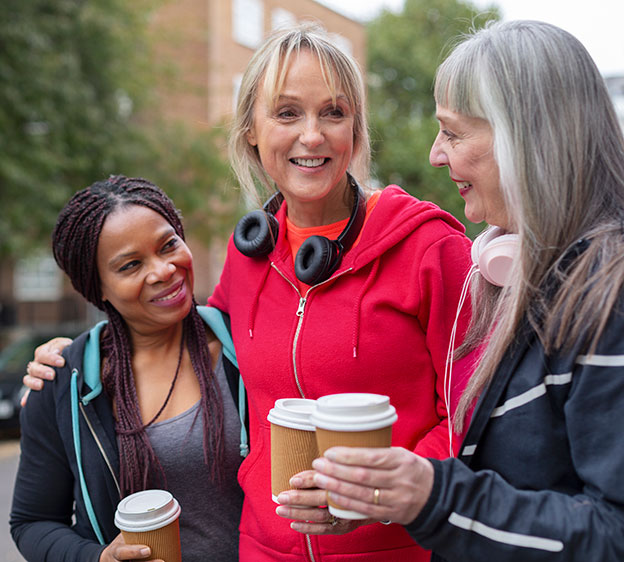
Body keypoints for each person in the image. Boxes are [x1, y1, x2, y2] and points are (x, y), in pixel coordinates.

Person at [23, 23, 475, 561]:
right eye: (287, 113)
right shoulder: (248, 256)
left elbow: (475, 418)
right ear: (251, 131)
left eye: (334, 112)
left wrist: (377, 496)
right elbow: (176, 331)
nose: (313, 136)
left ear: (355, 129)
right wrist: (72, 358)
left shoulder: (430, 248)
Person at [306, 19, 624, 561]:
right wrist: (406, 490)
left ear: (526, 137)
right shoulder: (529, 278)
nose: (434, 154)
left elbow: (614, 534)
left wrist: (434, 496)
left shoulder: (607, 297)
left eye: (452, 132)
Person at [10, 175, 244, 562]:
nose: (163, 270)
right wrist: (98, 558)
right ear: (96, 286)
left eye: (168, 245)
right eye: (130, 265)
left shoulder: (246, 346)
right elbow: (33, 522)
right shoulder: (64, 383)